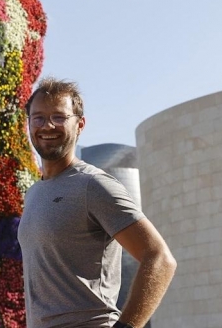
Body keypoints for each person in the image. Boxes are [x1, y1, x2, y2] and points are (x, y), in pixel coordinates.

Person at [17, 78, 176, 328]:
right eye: (38, 117)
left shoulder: (94, 185)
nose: (47, 125)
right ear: (28, 124)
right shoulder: (34, 193)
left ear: (80, 124)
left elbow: (159, 258)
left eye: (59, 117)